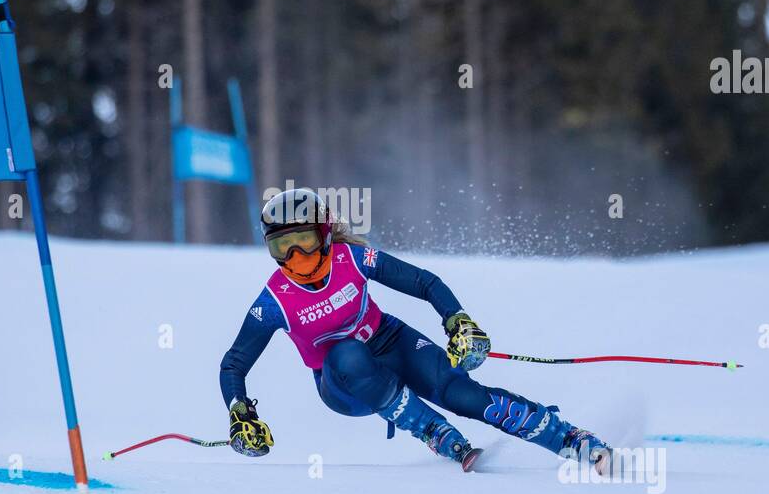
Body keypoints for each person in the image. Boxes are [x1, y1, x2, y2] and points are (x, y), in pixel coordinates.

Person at [219, 187, 612, 473]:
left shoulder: (353, 259)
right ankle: (433, 431)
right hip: (342, 383)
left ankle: (569, 439)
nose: (296, 257)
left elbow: (425, 282)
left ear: (323, 235)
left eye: (304, 241)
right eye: (282, 247)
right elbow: (233, 364)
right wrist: (241, 413)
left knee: (464, 394)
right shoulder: (273, 301)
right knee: (347, 353)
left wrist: (458, 321)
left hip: (390, 341)